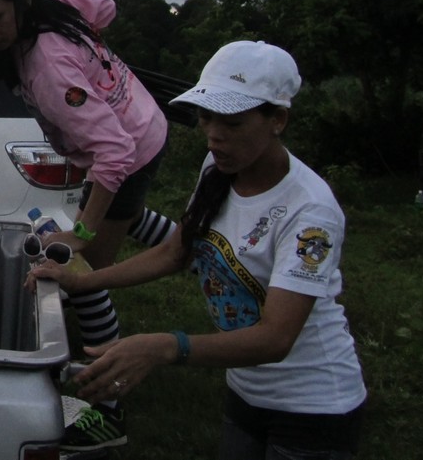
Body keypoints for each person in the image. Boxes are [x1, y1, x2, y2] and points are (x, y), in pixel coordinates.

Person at [29, 40, 367, 458]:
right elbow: (175, 252)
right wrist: (82, 282)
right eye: (206, 118)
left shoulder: (309, 211)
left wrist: (166, 346)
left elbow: (276, 337)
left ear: (278, 119)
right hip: (245, 392)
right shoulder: (220, 169)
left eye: (233, 123)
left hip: (313, 411)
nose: (214, 137)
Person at [0, 0, 173, 447]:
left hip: (130, 151)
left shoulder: (47, 68)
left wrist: (84, 234)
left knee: (83, 276)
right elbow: (105, 7)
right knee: (122, 218)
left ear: (20, 1)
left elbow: (114, 152)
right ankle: (195, 246)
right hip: (142, 126)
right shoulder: (53, 6)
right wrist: (97, 64)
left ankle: (108, 411)